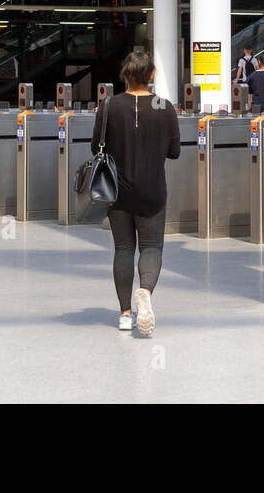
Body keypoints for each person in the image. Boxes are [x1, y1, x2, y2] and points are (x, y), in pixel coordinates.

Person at [94, 50, 180, 335]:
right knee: (151, 247)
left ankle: (124, 313)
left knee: (123, 249)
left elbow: (96, 148)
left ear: (125, 75)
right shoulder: (164, 107)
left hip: (118, 192)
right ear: (151, 76)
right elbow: (174, 152)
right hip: (153, 191)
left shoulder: (109, 106)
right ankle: (145, 292)